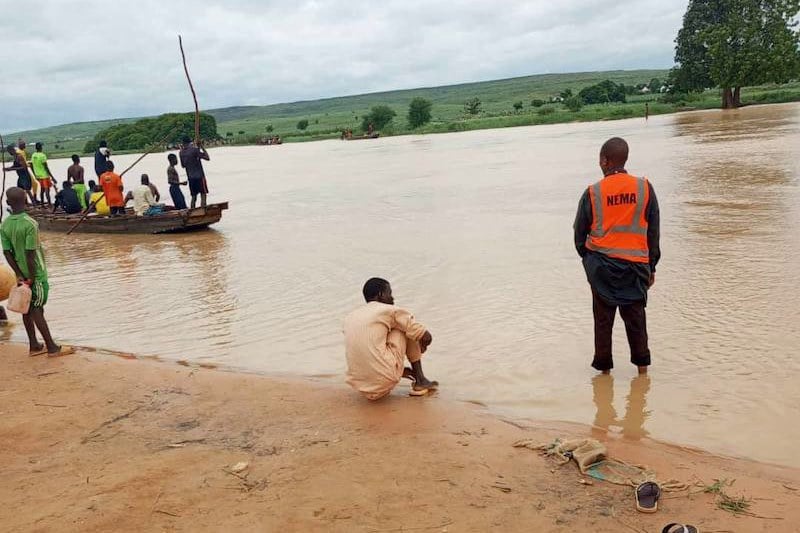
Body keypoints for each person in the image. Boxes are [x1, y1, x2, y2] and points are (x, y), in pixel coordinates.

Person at [573, 137, 660, 375]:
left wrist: (590, 263)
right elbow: (653, 232)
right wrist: (651, 267)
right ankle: (642, 372)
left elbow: (579, 235)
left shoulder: (593, 192)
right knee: (636, 320)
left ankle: (604, 374)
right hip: (636, 267)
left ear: (605, 161)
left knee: (603, 322)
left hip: (601, 268)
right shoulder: (644, 188)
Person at [1, 187, 72, 357]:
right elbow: (30, 252)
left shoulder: (5, 225)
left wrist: (19, 274)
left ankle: (34, 345)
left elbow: (7, 252)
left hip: (20, 275)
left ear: (8, 203)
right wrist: (31, 277)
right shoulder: (30, 223)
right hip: (36, 274)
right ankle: (52, 347)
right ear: (26, 200)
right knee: (37, 308)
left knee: (26, 307)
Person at [343, 278, 438, 400]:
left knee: (375, 337)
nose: (393, 298)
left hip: (360, 384)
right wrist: (422, 347)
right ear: (381, 295)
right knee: (406, 327)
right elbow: (427, 337)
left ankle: (394, 370)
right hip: (385, 379)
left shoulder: (350, 316)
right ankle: (420, 379)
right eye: (390, 293)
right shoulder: (388, 310)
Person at [179, 136, 210, 208]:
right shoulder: (194, 150)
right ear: (189, 142)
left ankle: (192, 210)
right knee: (203, 194)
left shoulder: (181, 153)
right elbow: (207, 157)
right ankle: (203, 209)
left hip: (191, 178)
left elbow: (183, 165)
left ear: (183, 143)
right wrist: (202, 147)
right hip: (199, 176)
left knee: (193, 197)